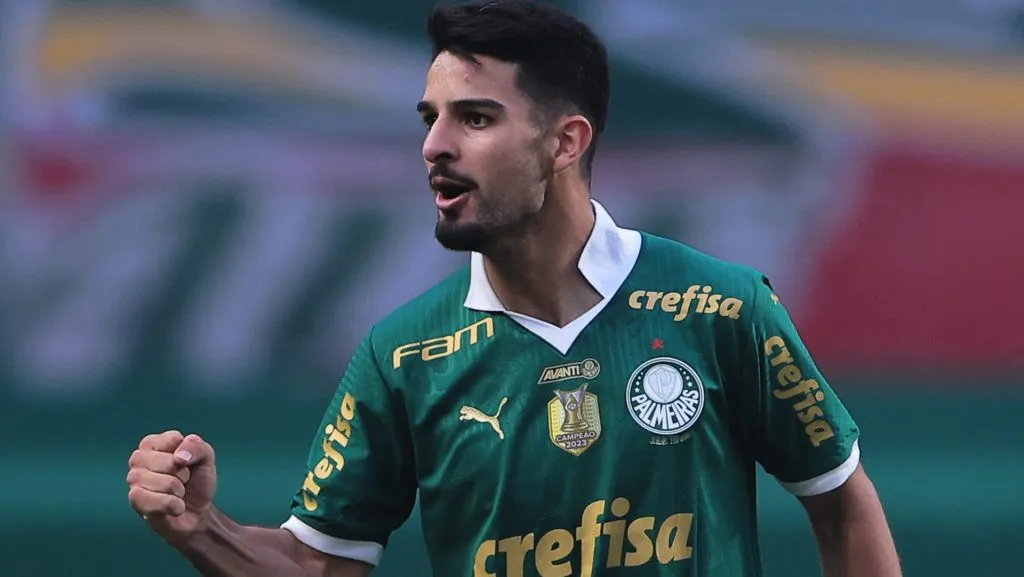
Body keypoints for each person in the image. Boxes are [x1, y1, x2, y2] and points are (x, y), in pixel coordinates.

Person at [126, 1, 902, 575]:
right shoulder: (402, 355)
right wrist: (204, 529)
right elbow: (316, 563)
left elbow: (840, 499)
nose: (434, 145)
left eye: (475, 118)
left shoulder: (723, 305)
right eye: (430, 118)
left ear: (565, 140)